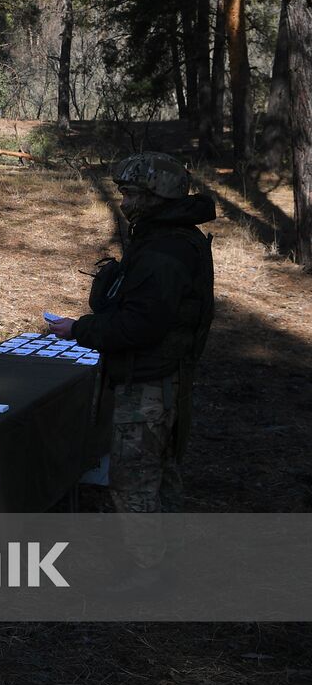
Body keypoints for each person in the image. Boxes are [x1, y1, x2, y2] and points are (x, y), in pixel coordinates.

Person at [47, 153, 215, 581]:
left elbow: (140, 324)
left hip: (151, 378)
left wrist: (79, 329)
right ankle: (167, 555)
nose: (123, 201)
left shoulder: (165, 251)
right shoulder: (169, 237)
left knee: (135, 476)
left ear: (154, 196)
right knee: (161, 468)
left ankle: (148, 571)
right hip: (163, 372)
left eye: (130, 192)